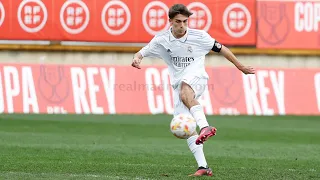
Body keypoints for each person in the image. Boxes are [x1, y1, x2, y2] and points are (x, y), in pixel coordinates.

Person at [131, 4, 255, 177]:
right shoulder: (161, 39)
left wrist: (240, 66)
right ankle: (203, 166)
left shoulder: (199, 36)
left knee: (185, 90)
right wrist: (136, 59)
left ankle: (205, 126)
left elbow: (222, 49)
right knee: (186, 127)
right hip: (179, 84)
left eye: (185, 21)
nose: (182, 25)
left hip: (197, 78)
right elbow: (142, 52)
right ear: (170, 22)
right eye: (178, 22)